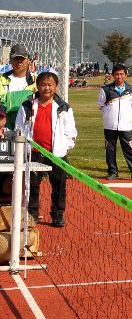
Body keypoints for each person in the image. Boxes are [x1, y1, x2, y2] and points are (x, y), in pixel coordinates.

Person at [17, 72, 78, 227]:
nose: (46, 88)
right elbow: (19, 128)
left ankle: (58, 215)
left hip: (56, 155)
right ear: (38, 86)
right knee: (31, 186)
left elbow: (71, 132)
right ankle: (32, 214)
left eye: (50, 85)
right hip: (34, 153)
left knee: (59, 186)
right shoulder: (27, 106)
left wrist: (64, 147)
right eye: (43, 84)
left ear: (56, 87)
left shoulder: (63, 107)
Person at [98, 63, 132, 181]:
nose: (119, 77)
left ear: (126, 75)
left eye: (121, 74)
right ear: (113, 75)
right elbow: (101, 105)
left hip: (126, 126)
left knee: (130, 149)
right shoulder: (105, 89)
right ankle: (112, 172)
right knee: (110, 150)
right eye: (116, 74)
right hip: (109, 126)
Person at [0, 43, 37, 127]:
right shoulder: (1, 80)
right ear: (10, 60)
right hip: (5, 127)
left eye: (22, 58)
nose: (19, 61)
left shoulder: (36, 80)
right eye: (16, 58)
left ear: (28, 60)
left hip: (29, 127)